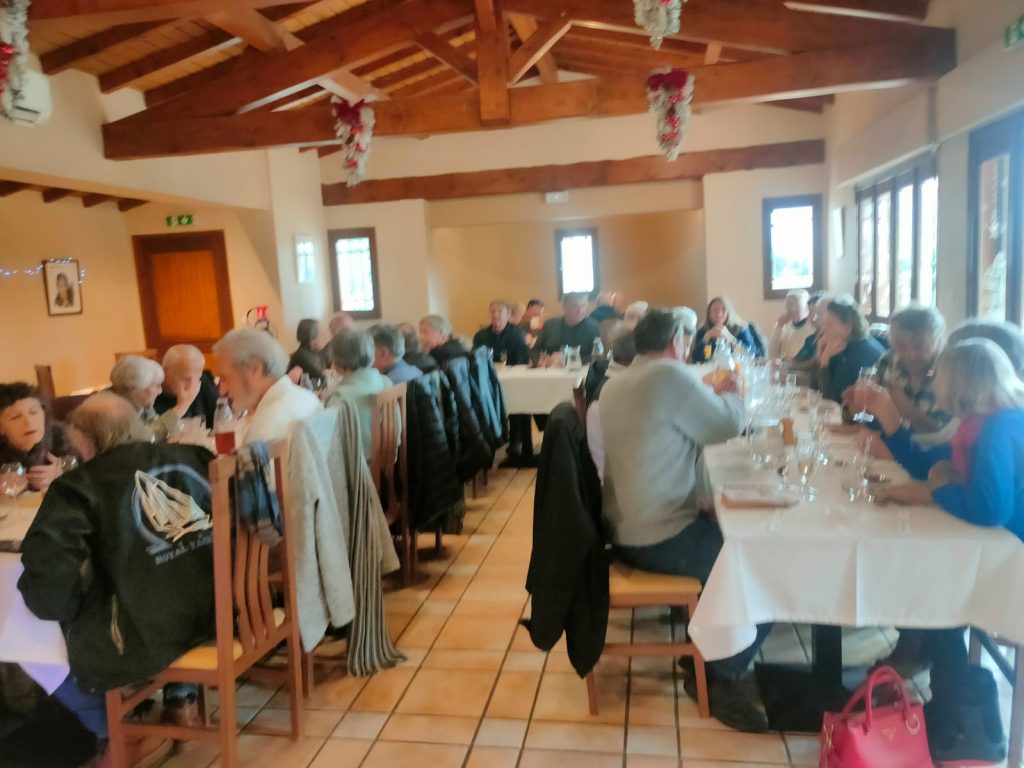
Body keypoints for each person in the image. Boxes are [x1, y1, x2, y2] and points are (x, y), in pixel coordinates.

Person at [18, 392, 216, 767]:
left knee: (29, 634)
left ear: (86, 441)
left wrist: (71, 610)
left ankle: (121, 729)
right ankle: (180, 699)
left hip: (147, 630)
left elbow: (47, 591)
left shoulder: (78, 487)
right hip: (217, 607)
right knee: (171, 576)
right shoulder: (196, 456)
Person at [599, 309, 770, 732]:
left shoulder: (618, 383)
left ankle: (702, 648)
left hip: (625, 526)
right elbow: (727, 425)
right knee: (761, 566)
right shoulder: (668, 377)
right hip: (656, 537)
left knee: (733, 533)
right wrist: (733, 391)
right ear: (677, 341)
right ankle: (717, 674)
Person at [856, 340, 1023, 764]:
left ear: (960, 381)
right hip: (993, 548)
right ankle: (951, 706)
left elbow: (989, 508)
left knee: (936, 593)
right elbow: (926, 462)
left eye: (941, 375)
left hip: (1012, 561)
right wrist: (893, 427)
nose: (935, 381)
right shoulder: (980, 422)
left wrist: (936, 490)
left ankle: (959, 719)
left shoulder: (1000, 426)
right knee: (931, 587)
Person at [845, 304, 950, 436]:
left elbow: (949, 437)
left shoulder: (950, 374)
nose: (910, 355)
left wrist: (911, 413)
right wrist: (856, 409)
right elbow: (869, 420)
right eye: (901, 346)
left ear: (938, 341)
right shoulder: (887, 362)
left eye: (919, 346)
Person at [212, 328, 321, 444]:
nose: (222, 390)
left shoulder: (264, 427)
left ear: (255, 369)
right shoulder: (307, 397)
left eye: (225, 378)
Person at [587, 323, 642, 482]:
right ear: (635, 361)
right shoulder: (620, 397)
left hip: (615, 474)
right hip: (622, 482)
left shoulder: (608, 379)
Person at [324, 329, 391, 460]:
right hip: (389, 456)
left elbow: (331, 443)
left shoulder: (338, 397)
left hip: (359, 465)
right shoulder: (386, 382)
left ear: (336, 362)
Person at [0, 382, 76, 493]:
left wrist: (62, 475)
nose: (28, 422)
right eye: (15, 417)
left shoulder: (62, 437)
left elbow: (87, 476)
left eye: (34, 412)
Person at [110, 354, 201, 441]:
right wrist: (182, 406)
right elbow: (147, 438)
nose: (160, 391)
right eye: (156, 386)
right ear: (134, 386)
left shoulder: (141, 403)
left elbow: (156, 428)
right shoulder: (111, 410)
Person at [815, 296, 884, 403]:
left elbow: (832, 400)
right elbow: (815, 387)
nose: (823, 329)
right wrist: (820, 354)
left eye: (829, 324)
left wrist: (824, 360)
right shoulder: (840, 344)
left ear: (847, 329)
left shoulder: (862, 354)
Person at [154, 344, 220, 429]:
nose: (192, 385)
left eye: (198, 378)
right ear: (165, 371)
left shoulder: (203, 382)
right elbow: (152, 433)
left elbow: (220, 422)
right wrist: (182, 406)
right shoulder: (149, 392)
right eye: (186, 379)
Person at [531, 294, 601, 365]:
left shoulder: (593, 327)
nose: (580, 310)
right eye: (574, 306)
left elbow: (597, 356)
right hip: (551, 368)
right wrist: (540, 359)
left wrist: (566, 360)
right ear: (564, 308)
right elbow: (534, 351)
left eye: (583, 305)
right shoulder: (550, 325)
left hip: (580, 369)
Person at [690, 296, 758, 363]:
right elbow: (698, 357)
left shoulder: (741, 329)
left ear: (729, 313)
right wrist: (706, 339)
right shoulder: (703, 331)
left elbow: (750, 355)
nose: (719, 314)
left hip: (737, 367)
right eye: (714, 310)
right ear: (709, 314)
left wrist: (730, 338)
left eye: (723, 310)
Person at [472, 300, 530, 366]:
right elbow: (475, 360)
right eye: (492, 312)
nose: (495, 315)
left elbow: (522, 361)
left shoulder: (517, 335)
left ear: (508, 315)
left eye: (500, 311)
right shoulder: (480, 336)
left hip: (511, 371)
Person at [769, 289, 815, 361]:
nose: (791, 309)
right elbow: (772, 354)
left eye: (796, 305)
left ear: (806, 308)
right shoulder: (784, 327)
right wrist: (779, 327)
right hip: (783, 366)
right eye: (788, 305)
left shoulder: (813, 328)